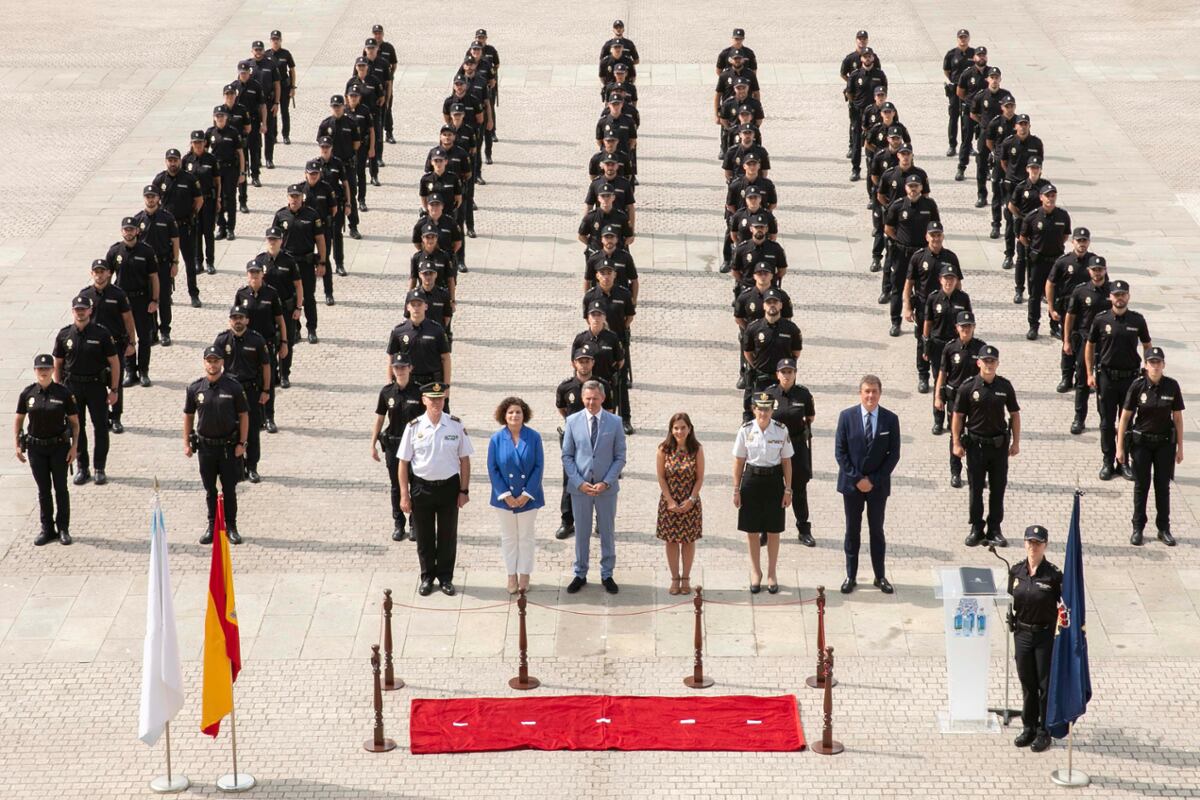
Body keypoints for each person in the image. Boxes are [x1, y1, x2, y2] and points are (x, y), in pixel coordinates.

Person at [397, 382, 473, 597]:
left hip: (449, 487)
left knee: (448, 535)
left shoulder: (455, 425)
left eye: (440, 399)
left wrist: (464, 491)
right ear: (424, 401)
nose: (437, 403)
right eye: (433, 399)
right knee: (424, 536)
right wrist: (404, 495)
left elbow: (464, 460)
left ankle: (446, 577)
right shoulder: (414, 427)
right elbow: (403, 463)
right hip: (422, 488)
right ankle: (427, 576)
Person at [834, 375, 900, 594]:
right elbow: (840, 452)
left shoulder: (890, 419)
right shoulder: (846, 417)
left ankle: (879, 576)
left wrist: (872, 480)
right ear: (860, 393)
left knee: (876, 530)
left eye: (874, 391)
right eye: (866, 391)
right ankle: (850, 575)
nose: (870, 395)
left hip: (877, 486)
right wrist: (857, 479)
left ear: (880, 393)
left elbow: (893, 455)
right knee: (852, 530)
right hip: (852, 486)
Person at [561, 380, 627, 595]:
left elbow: (620, 457)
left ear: (603, 398)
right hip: (580, 489)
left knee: (607, 532)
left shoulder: (615, 422)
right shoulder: (572, 421)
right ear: (582, 398)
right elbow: (567, 456)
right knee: (581, 532)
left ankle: (607, 573)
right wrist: (579, 483)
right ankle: (580, 573)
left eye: (595, 399)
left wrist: (606, 481)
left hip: (605, 488)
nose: (591, 403)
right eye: (587, 398)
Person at [952, 345, 1021, 547]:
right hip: (976, 446)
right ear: (978, 363)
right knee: (975, 489)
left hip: (999, 446)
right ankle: (976, 528)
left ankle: (994, 528)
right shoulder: (968, 387)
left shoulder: (1005, 387)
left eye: (992, 361)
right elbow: (958, 416)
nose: (989, 365)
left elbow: (1014, 415)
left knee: (998, 488)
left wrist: (1016, 442)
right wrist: (956, 442)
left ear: (997, 363)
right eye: (986, 361)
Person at [1117, 347, 1184, 546]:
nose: (1155, 366)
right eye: (1151, 362)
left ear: (1163, 365)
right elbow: (1125, 417)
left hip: (1164, 444)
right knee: (1141, 486)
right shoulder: (1138, 386)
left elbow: (1178, 419)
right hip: (1142, 444)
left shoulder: (1172, 386)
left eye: (1158, 362)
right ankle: (1138, 528)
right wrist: (1120, 447)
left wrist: (1180, 448)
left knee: (1162, 487)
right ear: (1145, 366)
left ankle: (1163, 528)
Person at [1085, 280, 1152, 479]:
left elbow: (1147, 345)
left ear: (1128, 296)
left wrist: (1147, 370)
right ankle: (1107, 461)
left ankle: (1124, 461)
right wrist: (1089, 373)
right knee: (1106, 422)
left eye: (1123, 294)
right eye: (1116, 295)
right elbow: (1090, 346)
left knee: (1128, 421)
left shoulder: (1137, 320)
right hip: (1107, 377)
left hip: (1130, 378)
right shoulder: (1101, 320)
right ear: (1110, 297)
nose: (1119, 298)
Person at [184, 346, 249, 545]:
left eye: (216, 361)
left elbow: (244, 416)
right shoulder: (195, 388)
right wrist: (186, 442)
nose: (213, 364)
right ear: (204, 363)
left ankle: (231, 526)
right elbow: (188, 416)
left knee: (229, 489)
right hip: (206, 447)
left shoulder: (233, 387)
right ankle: (212, 526)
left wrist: (242, 443)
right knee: (210, 489)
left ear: (222, 363)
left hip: (228, 447)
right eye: (209, 361)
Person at [1007, 524, 1063, 753]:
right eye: (1030, 542)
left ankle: (1044, 730)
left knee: (1044, 685)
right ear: (1024, 543)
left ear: (1045, 546)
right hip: (1022, 633)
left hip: (1044, 634)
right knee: (1027, 683)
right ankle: (1028, 727)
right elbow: (1014, 596)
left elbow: (1065, 604)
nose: (1033, 547)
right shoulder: (1017, 571)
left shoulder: (1053, 575)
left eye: (1038, 543)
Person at [53, 296, 120, 486]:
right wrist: (59, 389)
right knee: (77, 427)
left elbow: (114, 362)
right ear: (72, 311)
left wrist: (114, 390)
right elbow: (58, 363)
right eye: (77, 309)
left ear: (90, 311)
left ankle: (100, 467)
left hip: (96, 386)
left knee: (100, 426)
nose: (80, 312)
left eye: (84, 309)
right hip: (72, 387)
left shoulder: (101, 333)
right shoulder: (64, 335)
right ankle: (83, 467)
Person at [15, 354, 79, 545]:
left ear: (52, 370)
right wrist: (17, 444)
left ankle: (63, 529)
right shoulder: (28, 394)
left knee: (61, 489)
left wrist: (74, 447)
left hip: (59, 447)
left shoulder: (63, 393)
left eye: (46, 369)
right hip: (36, 448)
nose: (43, 372)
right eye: (40, 369)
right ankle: (47, 529)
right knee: (43, 490)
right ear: (35, 371)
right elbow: (19, 418)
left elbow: (75, 423)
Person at [733, 392, 792, 593]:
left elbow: (786, 461)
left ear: (772, 410)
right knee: (752, 530)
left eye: (767, 409)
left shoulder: (781, 430)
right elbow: (739, 461)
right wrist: (736, 489)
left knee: (774, 529)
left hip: (774, 480)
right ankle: (756, 571)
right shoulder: (745, 430)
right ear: (754, 409)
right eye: (760, 408)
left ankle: (771, 573)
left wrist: (788, 489)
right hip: (752, 479)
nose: (764, 413)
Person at [554, 349, 614, 540]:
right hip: (573, 441)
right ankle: (567, 521)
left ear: (593, 363)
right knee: (570, 479)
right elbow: (563, 410)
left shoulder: (602, 385)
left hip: (597, 439)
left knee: (600, 478)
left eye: (588, 361)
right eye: (581, 361)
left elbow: (610, 411)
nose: (584, 364)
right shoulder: (565, 387)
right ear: (574, 363)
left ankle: (600, 521)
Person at [487, 397, 545, 594]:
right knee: (509, 537)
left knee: (526, 537)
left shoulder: (534, 437)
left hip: (529, 497)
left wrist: (527, 494)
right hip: (504, 499)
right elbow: (492, 468)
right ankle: (511, 574)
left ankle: (525, 573)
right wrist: (505, 495)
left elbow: (539, 466)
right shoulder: (496, 439)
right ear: (504, 415)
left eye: (518, 412)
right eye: (510, 412)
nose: (514, 415)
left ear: (524, 415)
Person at [213, 306, 271, 483]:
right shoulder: (222, 340)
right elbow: (213, 364)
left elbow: (266, 366)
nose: (237, 321)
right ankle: (236, 466)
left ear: (247, 320)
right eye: (234, 318)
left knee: (252, 429)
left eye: (241, 318)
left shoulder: (256, 340)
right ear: (230, 320)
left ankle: (252, 466)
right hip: (230, 391)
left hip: (250, 390)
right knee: (231, 429)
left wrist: (266, 390)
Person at [371, 356, 424, 542]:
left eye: (403, 367)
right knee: (396, 486)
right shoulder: (387, 392)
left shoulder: (419, 392)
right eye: (396, 367)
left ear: (410, 368)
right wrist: (373, 444)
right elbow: (379, 419)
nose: (400, 371)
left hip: (415, 447)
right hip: (394, 444)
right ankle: (399, 524)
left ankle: (414, 524)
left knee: (415, 485)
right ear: (392, 369)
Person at [764, 359, 816, 545]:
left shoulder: (803, 394)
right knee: (771, 489)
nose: (787, 375)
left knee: (799, 489)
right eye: (783, 372)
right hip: (774, 448)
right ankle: (767, 530)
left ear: (795, 373)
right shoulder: (769, 395)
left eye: (790, 372)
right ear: (777, 374)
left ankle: (803, 529)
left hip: (796, 447)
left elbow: (810, 417)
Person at [656, 412, 704, 595]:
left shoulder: (697, 449)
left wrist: (691, 499)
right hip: (669, 502)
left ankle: (686, 578)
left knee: (688, 540)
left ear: (689, 428)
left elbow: (700, 478)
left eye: (683, 427)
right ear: (671, 430)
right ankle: (675, 578)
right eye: (676, 428)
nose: (679, 431)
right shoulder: (663, 449)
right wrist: (669, 500)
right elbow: (661, 477)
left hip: (690, 502)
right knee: (671, 540)